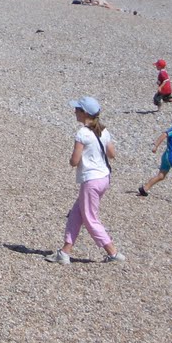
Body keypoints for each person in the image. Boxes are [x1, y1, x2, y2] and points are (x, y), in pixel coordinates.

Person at [45, 96, 125, 264]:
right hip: (104, 178)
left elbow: (74, 161)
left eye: (77, 109)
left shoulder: (82, 133)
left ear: (84, 113)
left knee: (90, 217)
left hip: (91, 181)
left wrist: (75, 159)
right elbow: (112, 154)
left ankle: (113, 253)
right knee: (77, 213)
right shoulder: (103, 131)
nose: (75, 111)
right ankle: (64, 252)